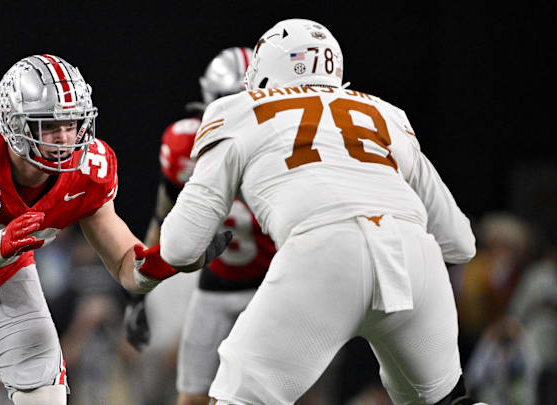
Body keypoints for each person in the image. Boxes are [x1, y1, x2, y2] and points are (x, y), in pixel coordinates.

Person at [159, 19, 484, 405]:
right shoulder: (387, 114)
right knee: (443, 401)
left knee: (239, 398)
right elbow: (461, 243)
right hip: (415, 258)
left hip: (323, 251)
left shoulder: (238, 110)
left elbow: (177, 247)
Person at [0, 54, 227, 405]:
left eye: (72, 123)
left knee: (44, 391)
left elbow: (126, 263)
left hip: (3, 276)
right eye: (48, 125)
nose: (64, 137)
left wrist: (162, 264)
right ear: (13, 124)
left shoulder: (90, 169)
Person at [123, 47, 277, 405]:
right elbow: (161, 223)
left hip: (272, 288)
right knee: (191, 395)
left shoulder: (283, 148)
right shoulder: (184, 146)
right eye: (231, 103)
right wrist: (137, 298)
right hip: (215, 288)